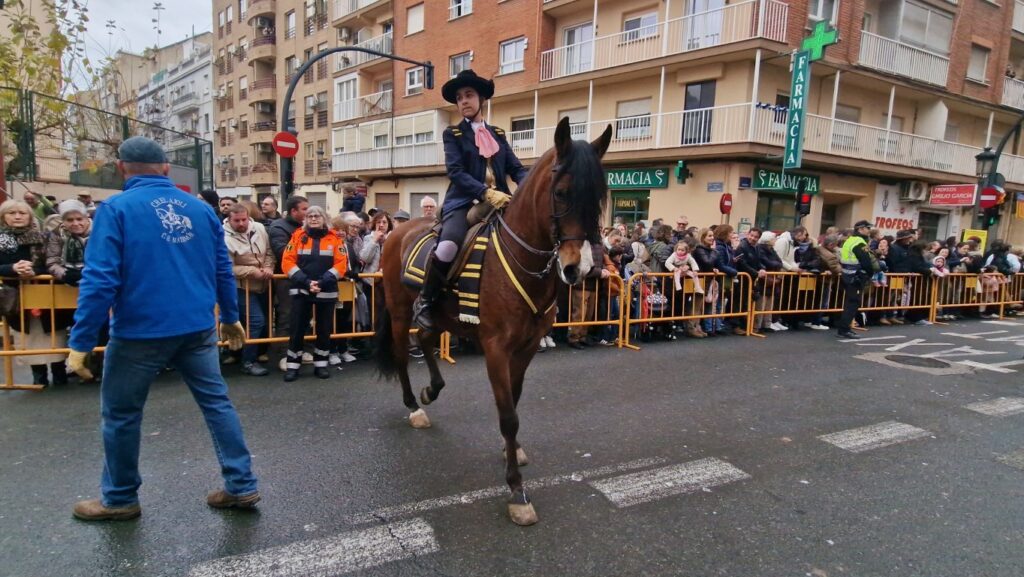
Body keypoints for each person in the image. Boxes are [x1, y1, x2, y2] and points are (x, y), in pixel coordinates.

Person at [66, 136, 257, 521]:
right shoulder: (200, 210)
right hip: (198, 326)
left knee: (121, 414)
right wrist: (232, 316)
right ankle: (241, 485)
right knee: (216, 403)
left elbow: (100, 279)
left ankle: (120, 497)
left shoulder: (115, 208)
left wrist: (81, 341)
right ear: (166, 169)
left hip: (139, 331)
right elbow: (221, 268)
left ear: (122, 168)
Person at [412, 69, 529, 332]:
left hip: (501, 200)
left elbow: (516, 168)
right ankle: (425, 300)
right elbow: (456, 172)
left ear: (481, 99)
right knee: (448, 247)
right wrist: (485, 192)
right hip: (463, 203)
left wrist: (528, 185)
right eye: (459, 97)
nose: (463, 101)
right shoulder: (452, 134)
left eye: (469, 95)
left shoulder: (497, 133)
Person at [0, 199, 66, 385]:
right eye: (12, 213)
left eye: (22, 213)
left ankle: (59, 373)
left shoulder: (45, 237)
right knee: (27, 336)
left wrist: (33, 271)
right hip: (17, 298)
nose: (18, 216)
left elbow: (56, 262)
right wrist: (13, 268)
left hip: (49, 295)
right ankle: (39, 376)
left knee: (55, 333)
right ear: (4, 217)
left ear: (30, 215)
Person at [280, 205, 348, 382]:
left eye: (317, 216)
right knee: (297, 329)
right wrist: (307, 281)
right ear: (305, 219)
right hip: (302, 289)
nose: (313, 218)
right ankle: (293, 365)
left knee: (324, 330)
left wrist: (322, 281)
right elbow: (287, 262)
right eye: (310, 216)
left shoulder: (334, 239)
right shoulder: (297, 237)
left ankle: (321, 364)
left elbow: (341, 264)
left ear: (324, 218)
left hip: (326, 290)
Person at [224, 203, 274, 376]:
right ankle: (248, 361)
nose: (241, 224)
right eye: (237, 220)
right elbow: (226, 267)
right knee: (256, 321)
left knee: (258, 322)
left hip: (263, 284)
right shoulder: (223, 237)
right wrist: (252, 271)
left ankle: (242, 354)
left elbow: (269, 252)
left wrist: (269, 268)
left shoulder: (259, 228)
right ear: (229, 220)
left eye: (244, 219)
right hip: (239, 286)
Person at [268, 195, 308, 355]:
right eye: (305, 209)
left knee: (305, 316)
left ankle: (302, 349)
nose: (309, 212)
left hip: (306, 278)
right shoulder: (279, 227)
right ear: (293, 211)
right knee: (287, 314)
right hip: (286, 279)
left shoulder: (307, 227)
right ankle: (284, 352)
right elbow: (283, 253)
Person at [837, 220, 877, 339]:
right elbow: (866, 261)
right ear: (860, 229)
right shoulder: (860, 242)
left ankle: (843, 328)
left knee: (850, 302)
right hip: (856, 277)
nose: (869, 230)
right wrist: (869, 273)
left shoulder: (849, 241)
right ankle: (844, 330)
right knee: (852, 304)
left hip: (847, 275)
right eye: (867, 228)